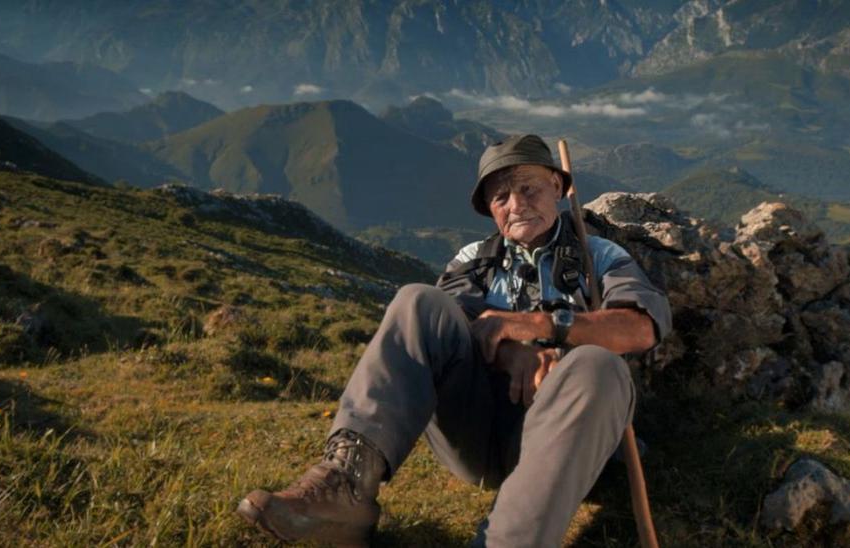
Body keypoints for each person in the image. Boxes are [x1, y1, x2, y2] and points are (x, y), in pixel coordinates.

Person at [236, 134, 671, 547]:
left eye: (528, 188)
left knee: (599, 366)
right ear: (490, 210)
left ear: (556, 185)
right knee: (417, 301)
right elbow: (453, 320)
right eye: (500, 197)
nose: (516, 204)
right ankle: (343, 488)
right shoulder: (473, 261)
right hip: (478, 433)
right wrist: (509, 351)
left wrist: (541, 327)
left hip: (570, 443)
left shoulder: (600, 257)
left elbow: (640, 328)